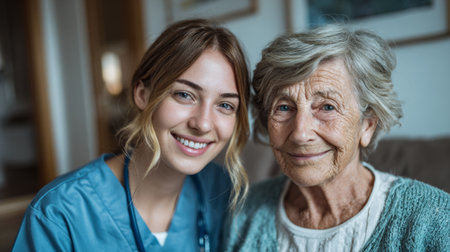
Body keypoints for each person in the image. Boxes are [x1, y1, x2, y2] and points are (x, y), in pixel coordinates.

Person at [13, 19, 250, 252]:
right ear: (142, 94)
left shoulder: (222, 192)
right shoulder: (61, 212)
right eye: (185, 95)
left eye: (226, 105)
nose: (203, 123)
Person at [222, 24, 450, 251]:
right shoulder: (243, 214)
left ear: (367, 125)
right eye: (283, 107)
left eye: (327, 107)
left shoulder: (432, 219)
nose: (301, 133)